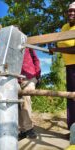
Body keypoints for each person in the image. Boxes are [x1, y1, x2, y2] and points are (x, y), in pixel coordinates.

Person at [49, 2, 75, 130]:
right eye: (70, 11)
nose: (71, 13)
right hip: (69, 66)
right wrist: (53, 47)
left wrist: (56, 50)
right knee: (70, 97)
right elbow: (60, 44)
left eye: (74, 11)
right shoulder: (64, 27)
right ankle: (72, 129)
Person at [18, 48, 41, 140]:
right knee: (16, 103)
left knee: (25, 97)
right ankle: (23, 130)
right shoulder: (7, 45)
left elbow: (36, 59)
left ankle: (29, 128)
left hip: (30, 77)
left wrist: (37, 74)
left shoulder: (27, 45)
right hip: (16, 79)